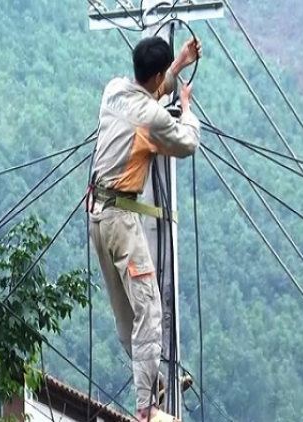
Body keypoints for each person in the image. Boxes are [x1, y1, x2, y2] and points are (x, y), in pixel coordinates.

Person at [86, 35, 202, 422]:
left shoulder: (114, 90)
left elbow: (150, 93)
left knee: (127, 316)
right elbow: (185, 143)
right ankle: (144, 408)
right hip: (121, 219)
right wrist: (185, 108)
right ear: (155, 77)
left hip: (96, 216)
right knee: (149, 311)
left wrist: (179, 64)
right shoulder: (153, 119)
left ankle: (147, 383)